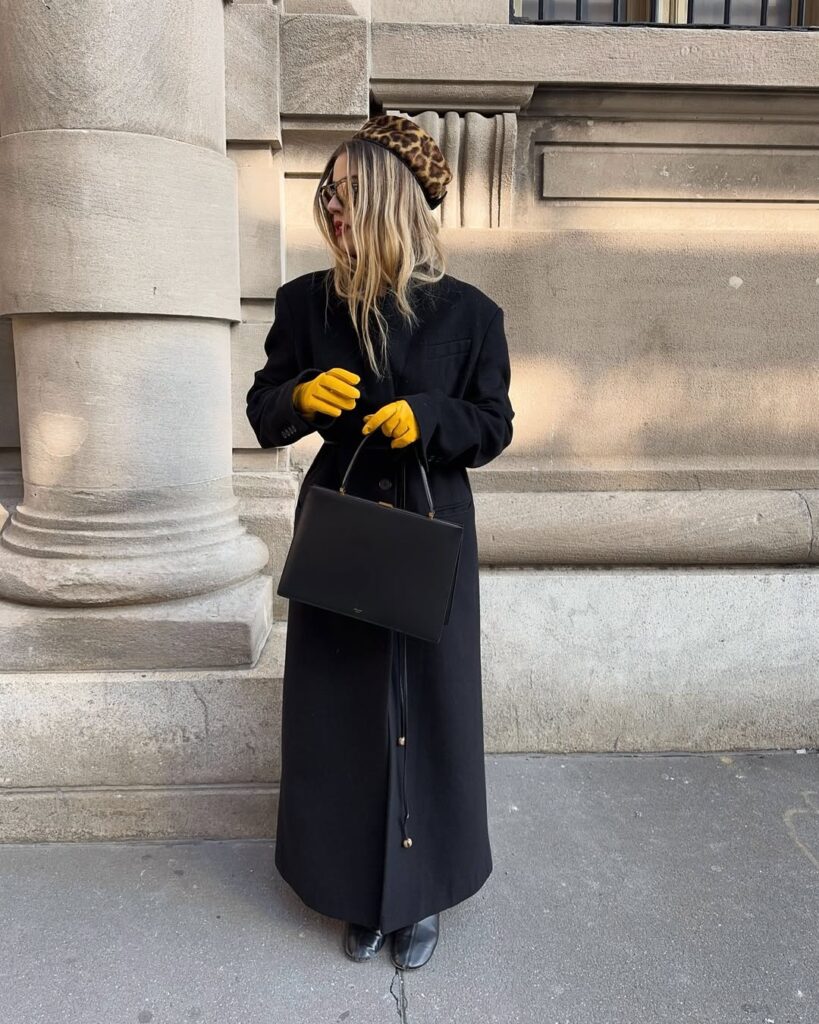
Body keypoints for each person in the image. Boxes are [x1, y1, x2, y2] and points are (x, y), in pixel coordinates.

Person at [245, 113, 515, 970]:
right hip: (344, 523)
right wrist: (297, 400)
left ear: (393, 199)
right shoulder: (304, 303)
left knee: (430, 706)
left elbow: (493, 423)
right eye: (328, 193)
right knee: (341, 709)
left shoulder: (470, 313)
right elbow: (262, 409)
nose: (332, 208)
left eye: (349, 193)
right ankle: (358, 893)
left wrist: (429, 418)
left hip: (432, 522)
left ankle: (419, 893)